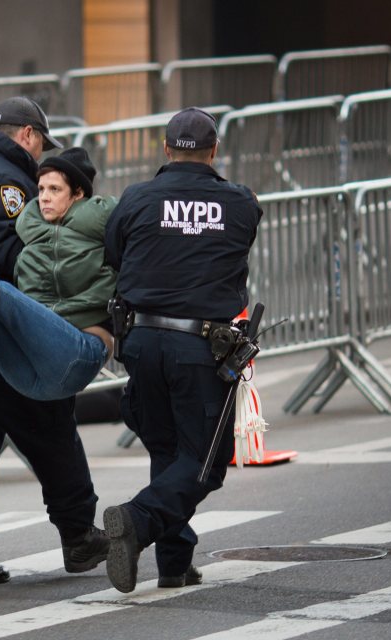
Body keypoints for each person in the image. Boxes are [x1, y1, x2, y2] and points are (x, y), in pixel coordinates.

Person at [0, 97, 109, 585]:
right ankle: (78, 536)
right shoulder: (9, 181)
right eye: (40, 148)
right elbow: (6, 254)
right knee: (51, 427)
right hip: (2, 333)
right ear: (29, 135)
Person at [102, 107, 263, 593]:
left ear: (165, 148)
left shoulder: (135, 198)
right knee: (204, 462)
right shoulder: (240, 202)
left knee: (168, 451)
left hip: (143, 339)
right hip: (199, 345)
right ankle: (137, 519)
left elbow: (115, 255)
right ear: (214, 150)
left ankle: (174, 563)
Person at [0, 147, 117, 401]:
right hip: (30, 370)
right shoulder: (29, 229)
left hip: (81, 351)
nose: (44, 197)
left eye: (55, 189)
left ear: (78, 193)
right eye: (40, 189)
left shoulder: (104, 226)